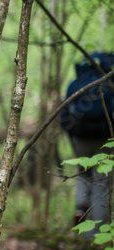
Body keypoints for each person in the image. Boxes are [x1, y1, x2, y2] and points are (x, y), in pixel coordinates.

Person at [60, 52, 114, 239]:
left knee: (83, 176)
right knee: (101, 183)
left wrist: (73, 139)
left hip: (81, 139)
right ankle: (96, 235)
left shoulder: (75, 84)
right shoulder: (110, 83)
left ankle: (81, 208)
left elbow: (64, 117)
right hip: (106, 141)